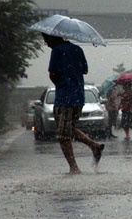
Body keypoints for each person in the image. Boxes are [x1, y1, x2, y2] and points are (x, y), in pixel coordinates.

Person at [42, 33, 105, 174]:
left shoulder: (56, 51)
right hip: (78, 97)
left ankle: (74, 167)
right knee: (68, 128)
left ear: (53, 38)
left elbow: (52, 74)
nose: (47, 43)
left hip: (64, 98)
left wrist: (62, 83)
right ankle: (94, 146)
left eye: (47, 40)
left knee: (63, 135)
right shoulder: (77, 49)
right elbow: (85, 70)